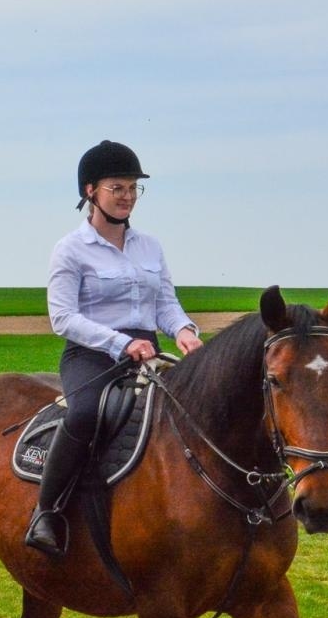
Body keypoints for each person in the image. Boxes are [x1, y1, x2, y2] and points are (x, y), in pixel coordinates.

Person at [28, 140, 203, 556]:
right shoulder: (70, 250)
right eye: (117, 188)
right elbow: (63, 318)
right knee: (87, 414)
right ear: (90, 191)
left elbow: (165, 303)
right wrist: (121, 343)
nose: (127, 197)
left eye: (132, 189)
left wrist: (184, 331)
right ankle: (47, 512)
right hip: (92, 355)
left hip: (149, 350)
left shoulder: (150, 247)